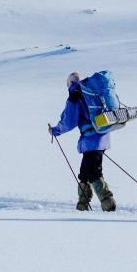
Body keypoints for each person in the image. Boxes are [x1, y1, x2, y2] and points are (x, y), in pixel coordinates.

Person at [49, 72, 116, 211]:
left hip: (91, 140)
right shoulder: (91, 91)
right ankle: (82, 206)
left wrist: (55, 130)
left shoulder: (75, 95)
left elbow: (68, 121)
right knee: (84, 173)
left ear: (70, 83)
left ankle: (109, 205)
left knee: (93, 173)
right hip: (102, 135)